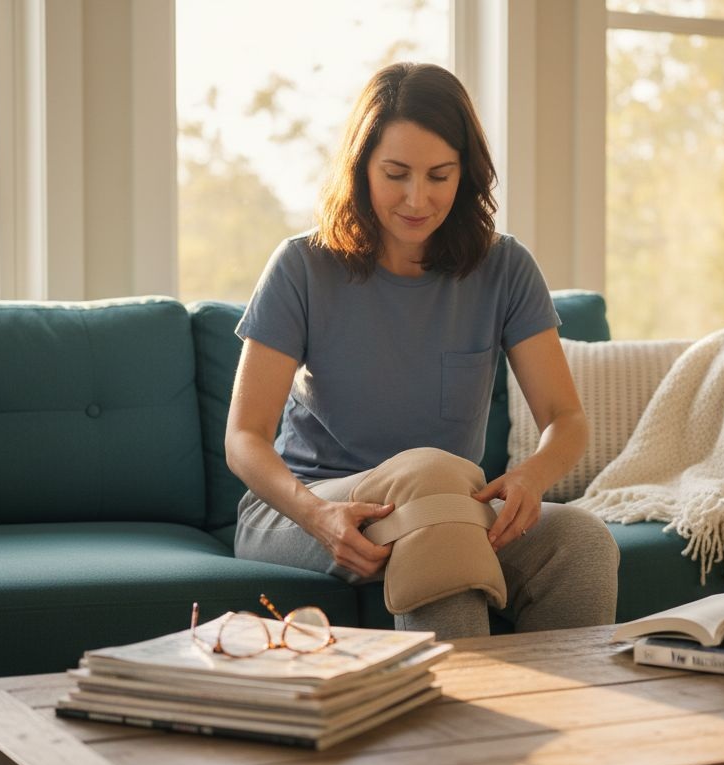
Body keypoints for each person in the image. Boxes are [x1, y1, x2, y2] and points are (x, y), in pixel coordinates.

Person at [225, 62, 619, 640]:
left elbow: (566, 420)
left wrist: (532, 478)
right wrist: (319, 517)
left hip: (445, 507)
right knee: (431, 487)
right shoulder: (301, 267)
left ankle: (564, 720)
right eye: (396, 173)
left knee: (581, 542)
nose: (417, 198)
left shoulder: (504, 268)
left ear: (467, 174)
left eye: (439, 175)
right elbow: (244, 438)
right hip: (302, 511)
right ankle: (465, 722)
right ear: (361, 170)